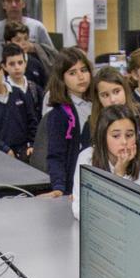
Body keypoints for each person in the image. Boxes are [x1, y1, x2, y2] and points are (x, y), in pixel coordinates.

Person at [70, 104, 140, 219]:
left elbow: (137, 212)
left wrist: (120, 174)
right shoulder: (87, 158)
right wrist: (117, 175)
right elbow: (79, 209)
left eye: (129, 135)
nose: (124, 141)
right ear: (103, 136)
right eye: (116, 136)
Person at [42, 47, 93, 197]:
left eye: (84, 70)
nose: (81, 76)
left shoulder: (98, 103)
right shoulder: (60, 114)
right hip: (74, 184)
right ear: (61, 78)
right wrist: (59, 187)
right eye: (72, 73)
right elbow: (55, 156)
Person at [85, 66, 140, 157]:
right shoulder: (92, 123)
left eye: (116, 91)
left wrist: (133, 143)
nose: (113, 100)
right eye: (105, 95)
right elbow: (88, 156)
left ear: (125, 90)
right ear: (98, 99)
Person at [4, 21, 50, 89]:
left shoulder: (36, 63)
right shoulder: (4, 67)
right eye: (18, 40)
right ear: (8, 43)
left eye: (26, 39)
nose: (24, 43)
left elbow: (46, 87)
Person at [1, 43, 44, 115]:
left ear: (25, 64)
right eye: (12, 64)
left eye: (20, 63)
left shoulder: (35, 89)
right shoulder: (2, 91)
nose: (17, 67)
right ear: (4, 66)